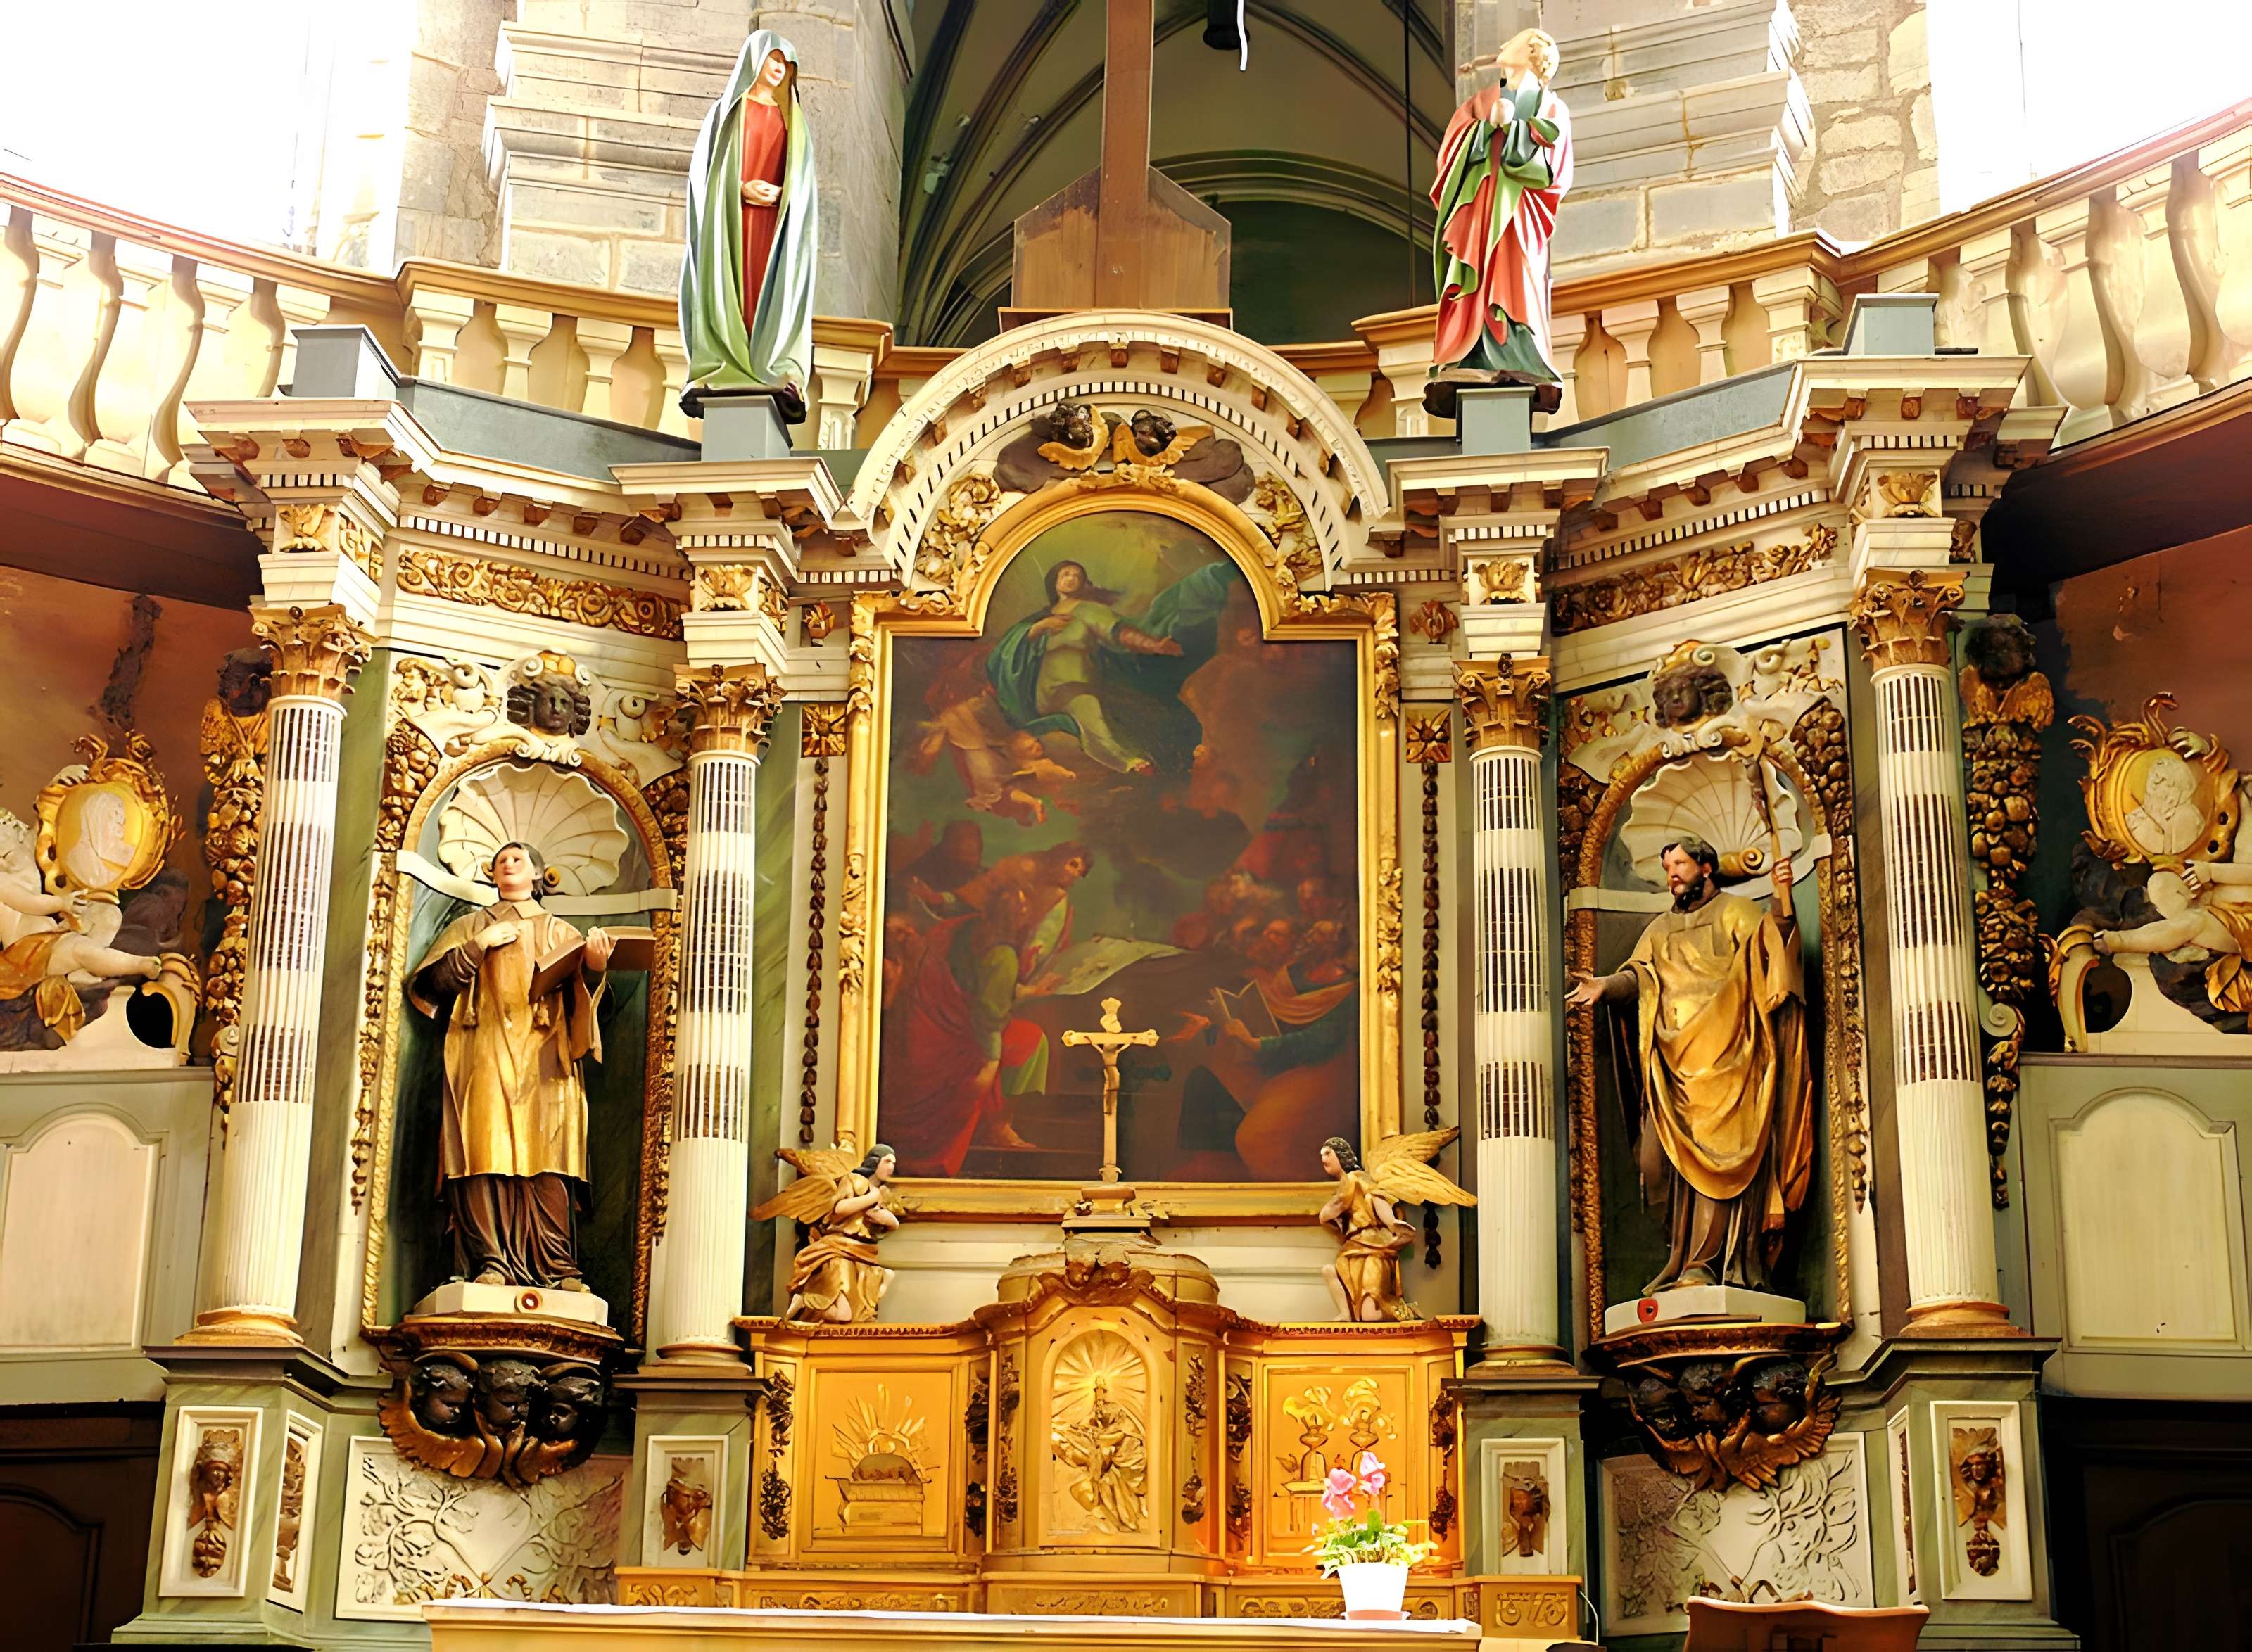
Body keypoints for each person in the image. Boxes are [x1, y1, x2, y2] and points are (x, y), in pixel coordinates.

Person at [1565, 832, 1812, 1295]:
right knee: (1655, 1163)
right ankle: (1682, 1258)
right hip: (1674, 1069)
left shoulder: (1736, 912)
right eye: (1667, 867)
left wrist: (1782, 905)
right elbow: (1639, 975)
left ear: (1705, 867)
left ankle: (1707, 1263)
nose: (1672, 874)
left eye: (1680, 865)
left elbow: (1771, 954)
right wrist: (1604, 986)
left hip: (1732, 1063)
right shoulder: (1659, 929)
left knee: (1722, 1165)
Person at [408, 841, 612, 1290]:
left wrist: (594, 967)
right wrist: (476, 948)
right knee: (482, 1149)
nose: (508, 863)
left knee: (553, 1153)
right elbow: (430, 985)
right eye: (501, 860)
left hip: (546, 1055)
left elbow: (588, 1003)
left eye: (518, 857)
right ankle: (492, 1262)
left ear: (539, 873)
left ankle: (558, 1268)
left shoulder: (561, 932)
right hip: (481, 1049)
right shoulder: (470, 926)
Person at [1427, 27, 1573, 416]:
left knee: (1516, 273)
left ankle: (1520, 353)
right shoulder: (1480, 101)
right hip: (1479, 207)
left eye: (1514, 41)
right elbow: (1450, 152)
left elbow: (1553, 168)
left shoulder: (1550, 105)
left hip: (1519, 214)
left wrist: (1515, 128)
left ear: (1533, 53)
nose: (1503, 44)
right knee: (1476, 275)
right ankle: (1471, 353)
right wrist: (1485, 126)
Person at [987, 559, 1236, 777]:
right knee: (1086, 714)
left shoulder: (1088, 611)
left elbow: (1120, 633)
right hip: (1042, 694)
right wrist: (1040, 627)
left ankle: (1127, 762)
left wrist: (1154, 645)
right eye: (1066, 574)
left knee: (1090, 713)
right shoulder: (1038, 619)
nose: (1071, 578)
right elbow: (1006, 651)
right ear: (1054, 582)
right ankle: (1125, 761)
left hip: (1076, 686)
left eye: (1077, 575)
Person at [681, 32, 818, 398]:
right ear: (753, 61)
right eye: (772, 60)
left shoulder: (794, 123)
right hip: (733, 223)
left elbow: (804, 186)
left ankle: (770, 363)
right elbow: (702, 178)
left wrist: (784, 194)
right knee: (732, 288)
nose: (777, 69)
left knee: (768, 294)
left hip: (773, 228)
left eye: (784, 64)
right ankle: (725, 359)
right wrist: (741, 189)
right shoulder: (726, 114)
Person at [779, 1145, 900, 1323]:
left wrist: (878, 1210)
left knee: (862, 1311)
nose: (891, 1167)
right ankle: (806, 1303)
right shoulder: (854, 1180)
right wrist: (871, 1199)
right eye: (887, 1161)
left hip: (862, 1253)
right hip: (838, 1250)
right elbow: (840, 1208)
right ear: (875, 1162)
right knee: (845, 1315)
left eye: (894, 1163)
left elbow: (892, 1223)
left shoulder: (884, 1193)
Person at [1317, 1137, 1416, 1322]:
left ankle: (1408, 1313)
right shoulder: (1347, 1184)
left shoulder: (1355, 1178)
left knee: (1370, 1315)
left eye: (1328, 1153)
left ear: (1341, 1155)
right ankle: (1346, 1314)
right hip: (1354, 1250)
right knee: (1329, 1271)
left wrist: (1392, 1223)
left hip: (1373, 1247)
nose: (1324, 1159)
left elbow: (1376, 1198)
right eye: (1322, 1155)